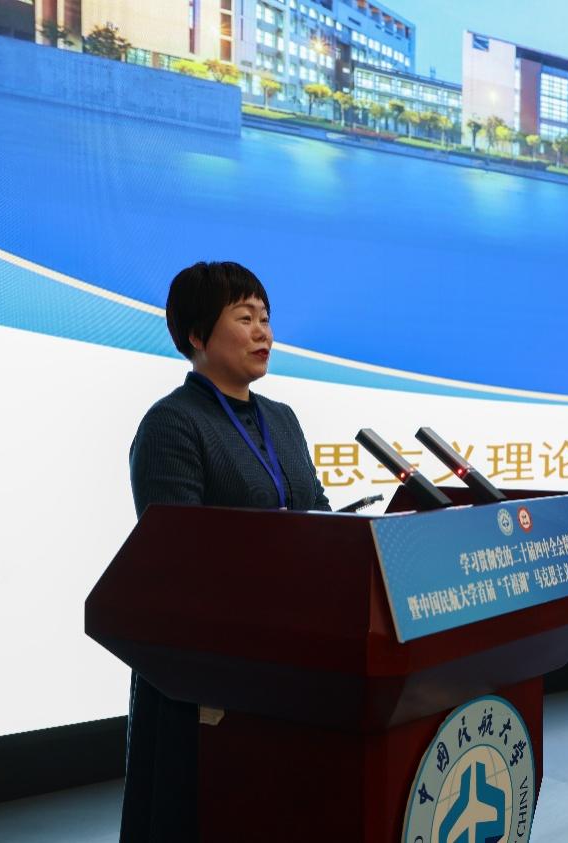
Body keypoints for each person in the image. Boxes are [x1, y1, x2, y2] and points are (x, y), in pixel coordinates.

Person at [121, 261, 330, 842]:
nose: (263, 332)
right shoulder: (172, 424)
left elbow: (316, 510)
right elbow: (176, 553)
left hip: (285, 655)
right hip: (201, 672)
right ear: (197, 335)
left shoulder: (281, 419)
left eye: (266, 317)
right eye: (245, 318)